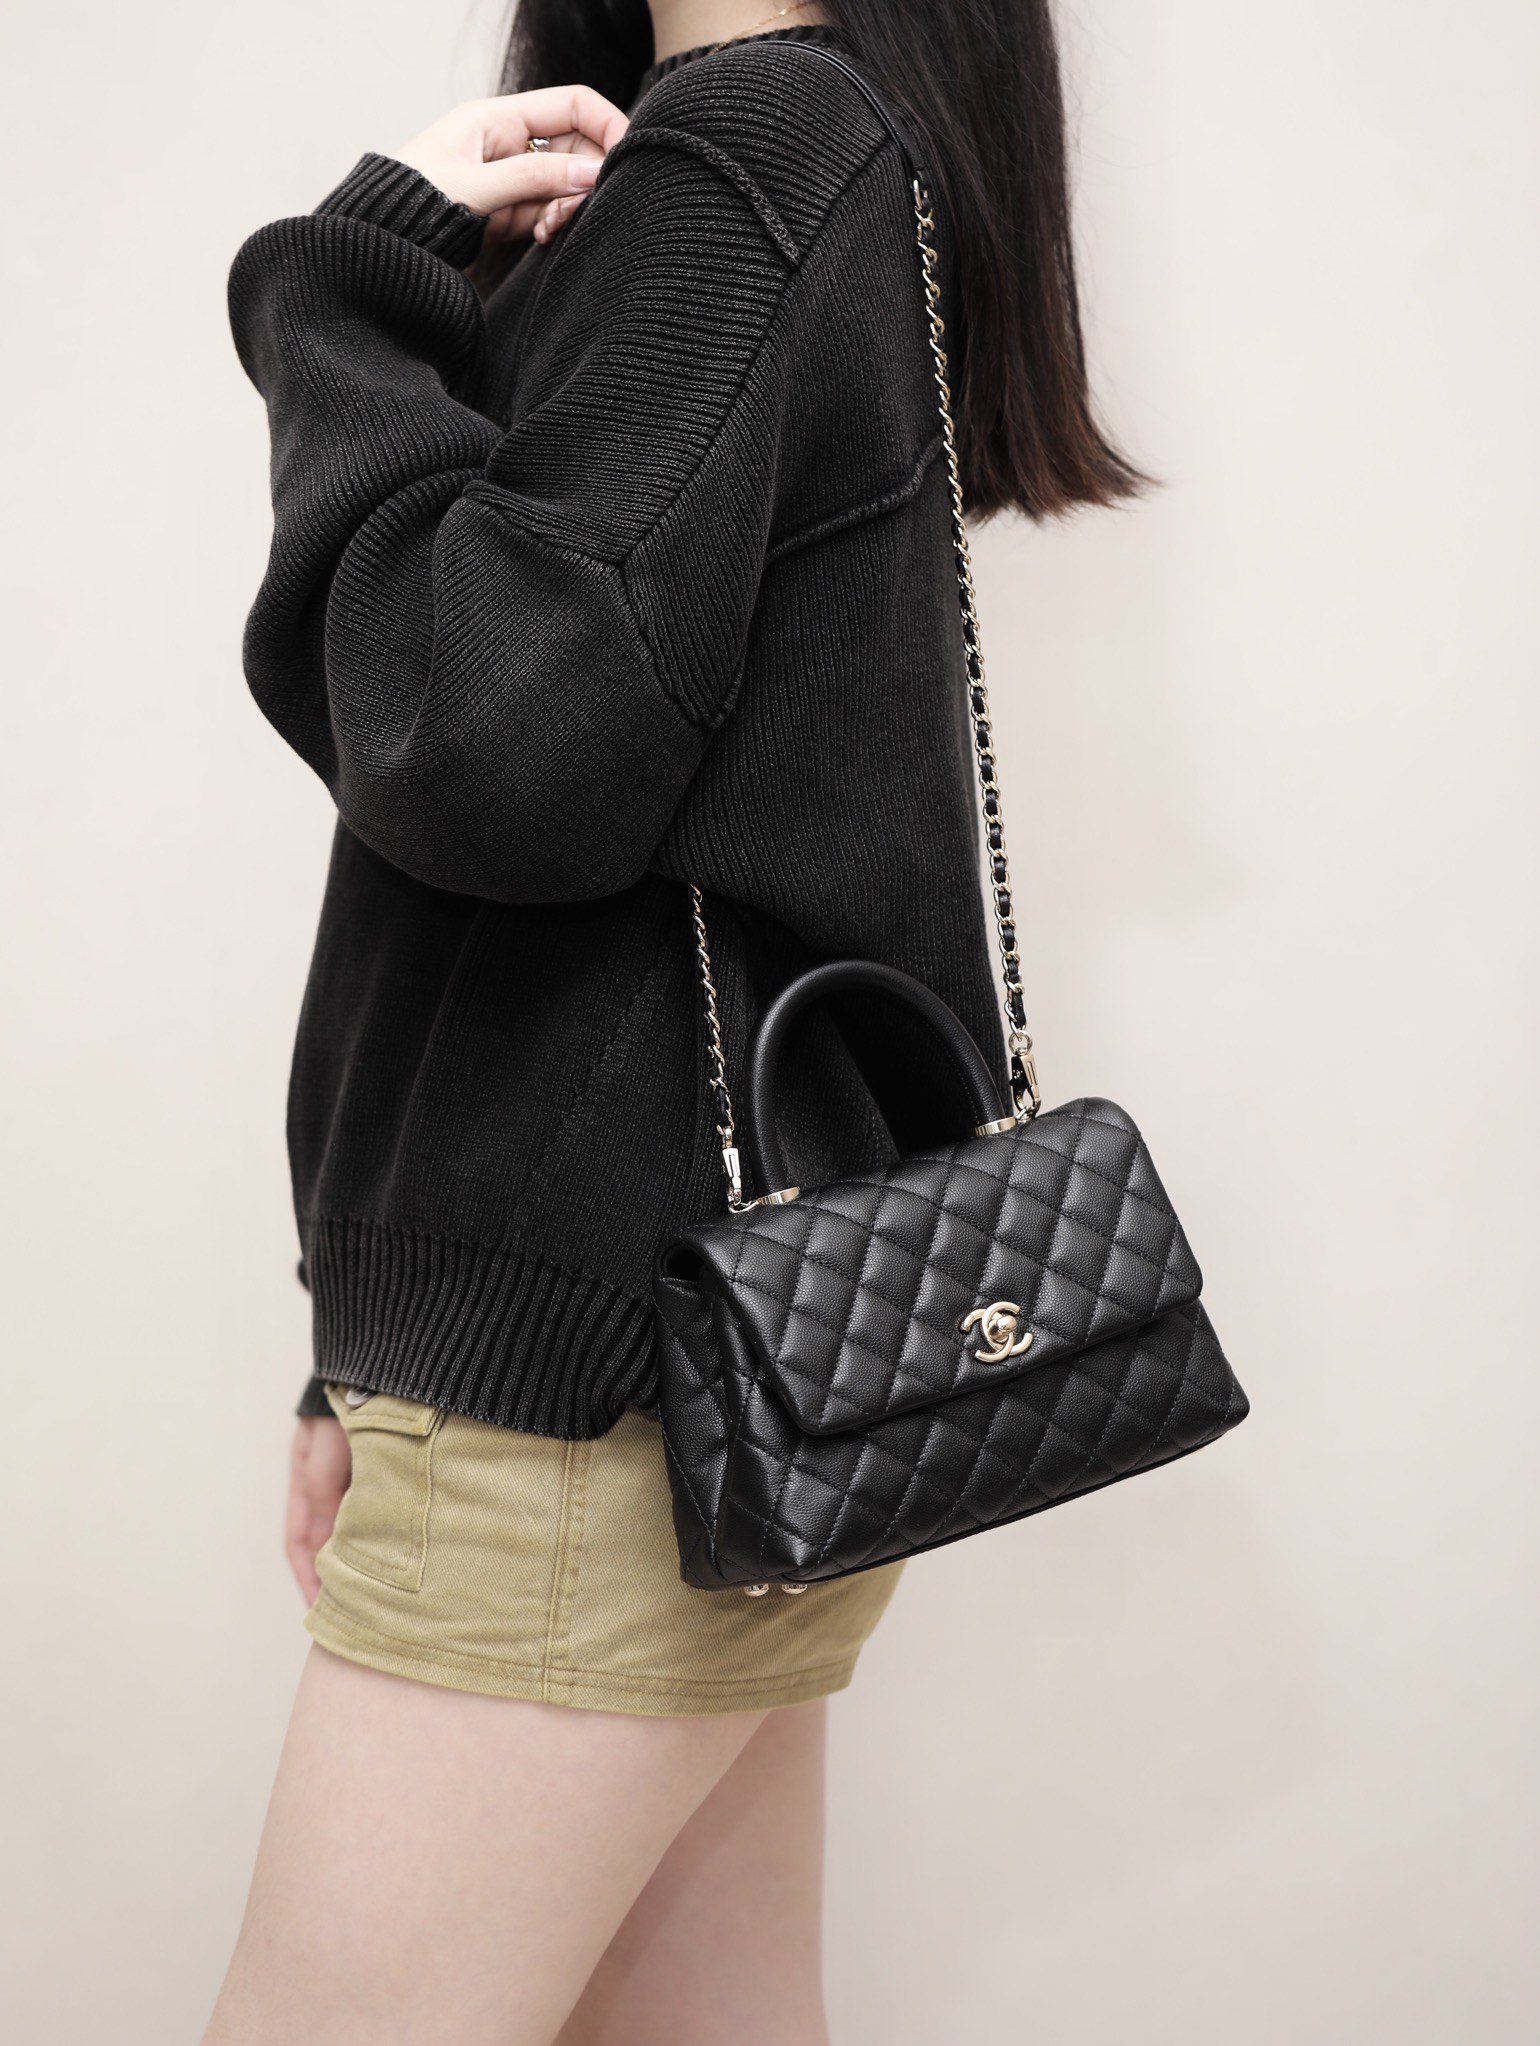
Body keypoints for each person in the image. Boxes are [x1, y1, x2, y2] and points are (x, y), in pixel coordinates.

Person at [210, 1, 1141, 2038]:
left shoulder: (754, 145)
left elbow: (482, 737)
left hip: (596, 1415)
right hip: (727, 1376)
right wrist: (365, 1347)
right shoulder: (797, 149)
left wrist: (336, 283)